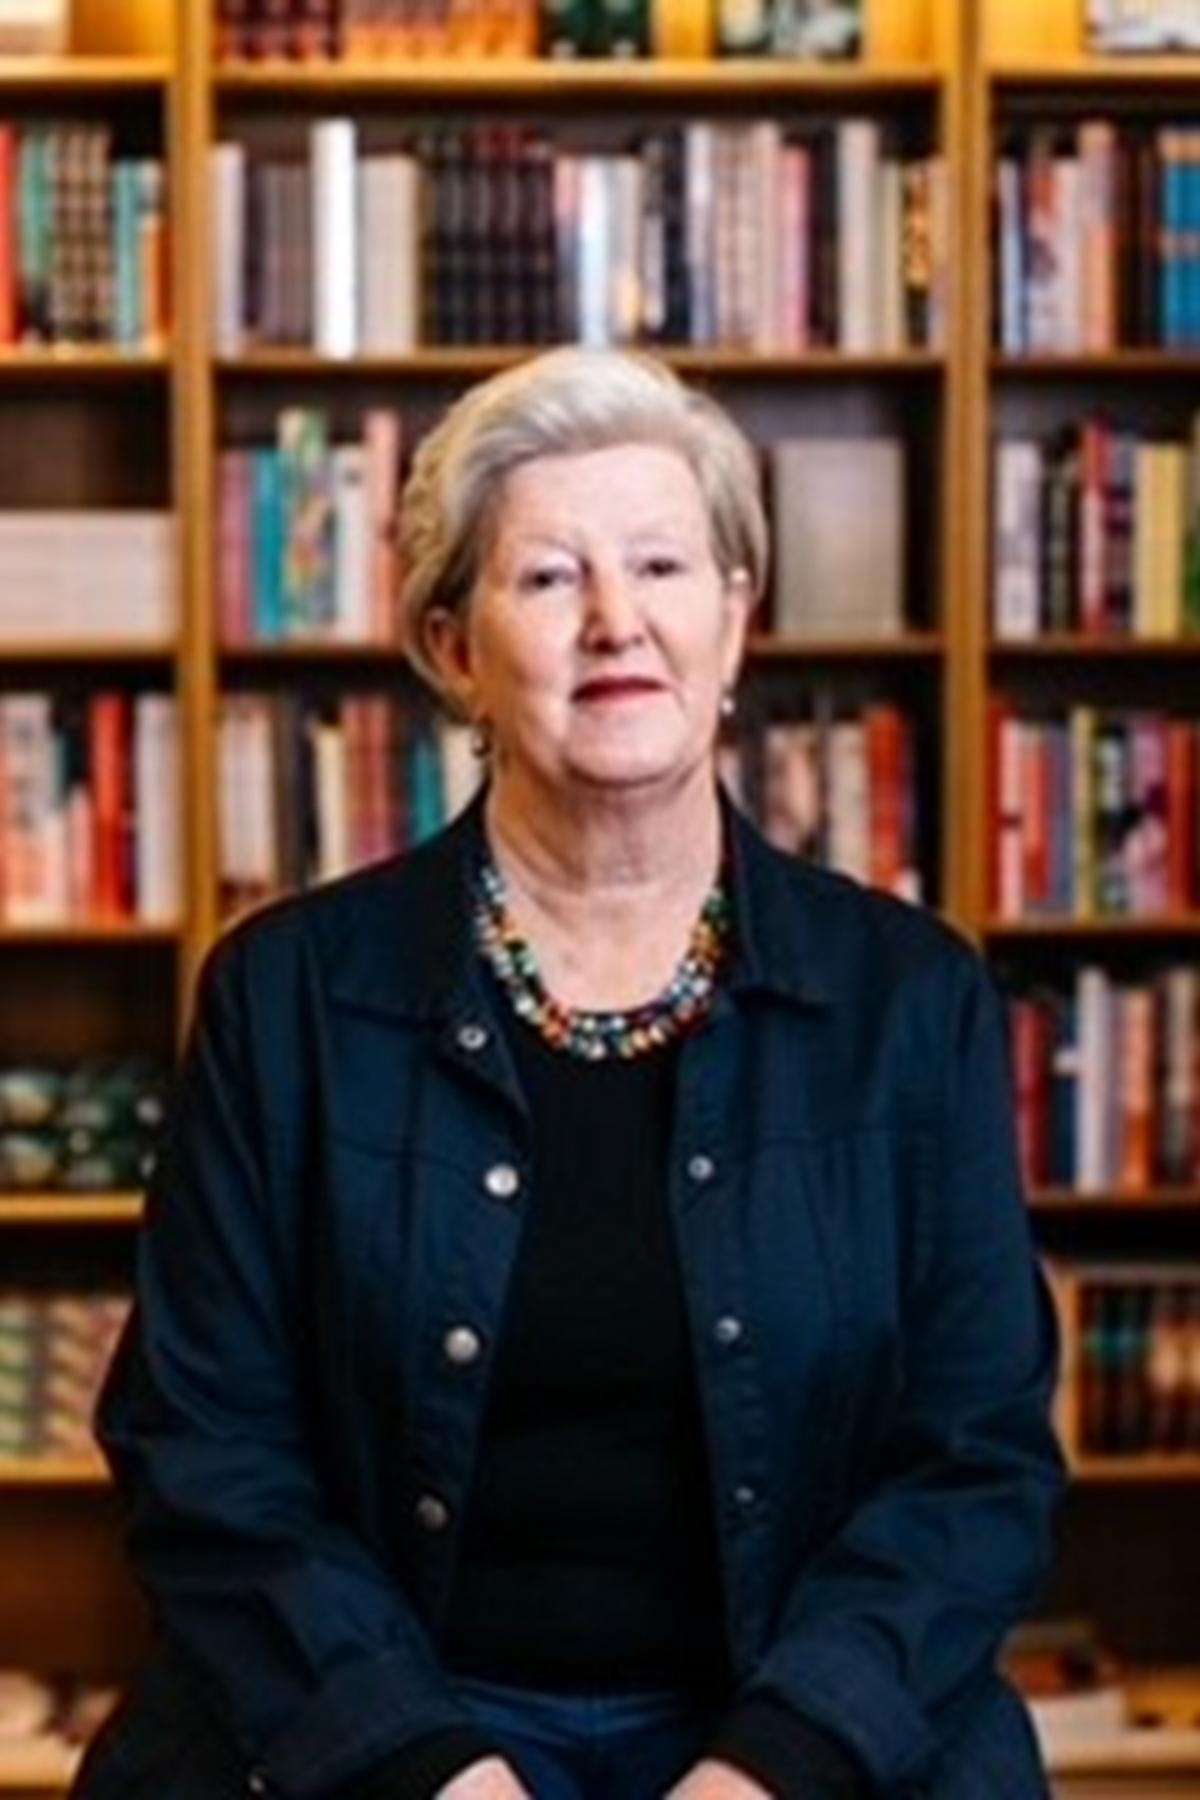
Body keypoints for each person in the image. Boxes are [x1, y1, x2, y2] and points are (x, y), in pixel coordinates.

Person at [72, 347, 1065, 1800]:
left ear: (734, 622)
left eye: (664, 566)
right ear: (453, 649)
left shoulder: (908, 999)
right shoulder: (286, 998)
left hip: (799, 1721)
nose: (618, 623)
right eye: (547, 579)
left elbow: (977, 1462)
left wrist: (774, 1766)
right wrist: (421, 1762)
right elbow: (204, 1450)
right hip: (383, 1716)